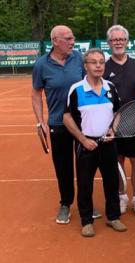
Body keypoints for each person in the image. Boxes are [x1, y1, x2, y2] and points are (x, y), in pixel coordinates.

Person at [32, 25, 101, 224]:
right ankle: (65, 203)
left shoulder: (79, 58)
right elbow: (36, 93)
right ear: (55, 41)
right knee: (63, 167)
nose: (73, 42)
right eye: (68, 39)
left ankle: (86, 203)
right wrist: (40, 121)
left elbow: (93, 81)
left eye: (73, 38)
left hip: (81, 123)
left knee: (85, 166)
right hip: (56, 123)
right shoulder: (41, 65)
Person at [63, 48, 127, 237]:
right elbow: (67, 117)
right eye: (94, 62)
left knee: (112, 182)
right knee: (85, 184)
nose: (98, 65)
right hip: (86, 145)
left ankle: (113, 217)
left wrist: (113, 130)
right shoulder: (76, 89)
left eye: (101, 62)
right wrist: (83, 140)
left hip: (108, 143)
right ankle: (87, 221)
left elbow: (118, 112)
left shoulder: (110, 87)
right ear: (86, 66)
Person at [104, 25, 135, 217]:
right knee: (117, 162)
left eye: (121, 39)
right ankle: (121, 196)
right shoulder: (103, 65)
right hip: (110, 124)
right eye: (114, 40)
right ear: (108, 43)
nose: (118, 42)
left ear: (127, 41)